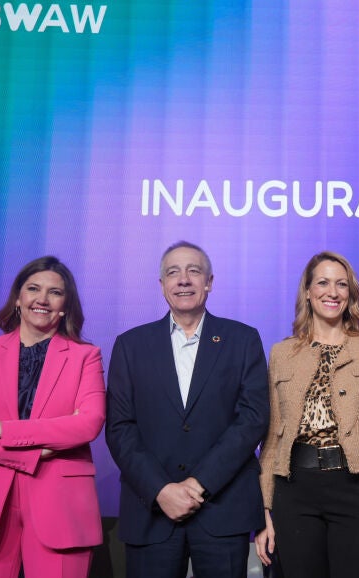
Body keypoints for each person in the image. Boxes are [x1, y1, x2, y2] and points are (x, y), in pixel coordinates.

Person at [106, 241, 269, 578]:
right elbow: (120, 428)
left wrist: (199, 483)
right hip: (151, 512)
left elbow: (253, 419)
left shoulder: (242, 339)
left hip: (222, 510)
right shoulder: (130, 345)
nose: (183, 279)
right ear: (162, 284)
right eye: (173, 272)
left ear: (209, 282)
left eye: (193, 271)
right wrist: (161, 490)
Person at [0, 256, 105, 578]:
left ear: (65, 306)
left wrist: (2, 430)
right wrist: (33, 452)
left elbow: (88, 423)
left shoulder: (86, 356)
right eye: (33, 289)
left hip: (59, 503)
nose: (42, 299)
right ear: (18, 298)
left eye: (55, 292)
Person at [254, 251, 359, 578]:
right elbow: (271, 440)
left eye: (341, 284)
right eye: (322, 283)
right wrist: (263, 511)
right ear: (308, 291)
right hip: (294, 492)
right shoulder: (281, 353)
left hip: (356, 488)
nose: (332, 292)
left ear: (351, 293)